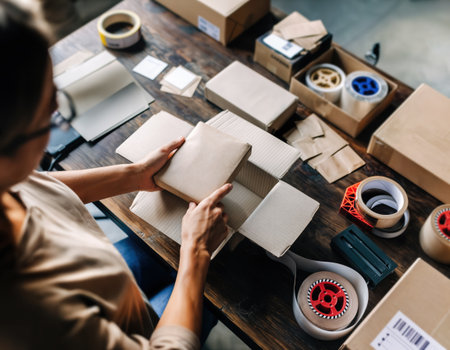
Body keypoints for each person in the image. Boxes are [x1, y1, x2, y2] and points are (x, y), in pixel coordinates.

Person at [0, 1, 231, 349]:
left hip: (107, 277)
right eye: (50, 114)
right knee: (217, 294)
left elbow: (36, 187)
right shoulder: (34, 311)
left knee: (154, 251)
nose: (56, 115)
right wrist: (195, 253)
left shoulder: (8, 180)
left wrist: (135, 175)